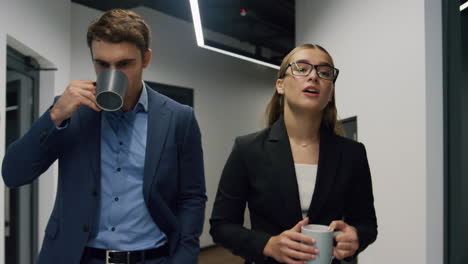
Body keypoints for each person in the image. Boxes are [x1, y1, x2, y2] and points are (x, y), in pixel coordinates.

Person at [2, 9, 206, 264]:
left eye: (124, 64)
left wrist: (185, 256)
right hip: (78, 257)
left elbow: (192, 196)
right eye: (102, 64)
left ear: (146, 59)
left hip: (152, 258)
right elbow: (13, 174)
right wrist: (54, 116)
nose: (113, 73)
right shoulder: (71, 111)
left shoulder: (178, 117)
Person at [209, 44, 377, 264]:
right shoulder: (248, 149)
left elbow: (366, 224)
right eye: (302, 68)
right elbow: (221, 225)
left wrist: (355, 237)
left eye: (324, 72)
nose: (314, 77)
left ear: (330, 91)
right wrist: (267, 245)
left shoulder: (352, 153)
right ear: (280, 85)